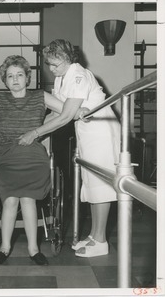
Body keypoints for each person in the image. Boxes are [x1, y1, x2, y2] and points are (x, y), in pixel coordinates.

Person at [0, 55, 75, 266]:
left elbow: (67, 109)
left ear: (27, 78)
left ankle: (33, 249)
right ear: (5, 80)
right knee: (9, 200)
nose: (15, 79)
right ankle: (4, 247)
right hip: (8, 156)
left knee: (28, 199)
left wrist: (80, 110)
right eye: (10, 76)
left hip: (34, 156)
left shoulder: (41, 96)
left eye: (20, 75)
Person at [18, 39, 120, 258]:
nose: (52, 69)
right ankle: (94, 235)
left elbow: (64, 116)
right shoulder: (62, 78)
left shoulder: (78, 75)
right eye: (49, 65)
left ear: (67, 59)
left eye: (55, 64)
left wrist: (35, 134)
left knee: (101, 185)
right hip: (87, 132)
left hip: (101, 131)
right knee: (91, 184)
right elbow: (56, 112)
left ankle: (101, 240)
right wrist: (35, 131)